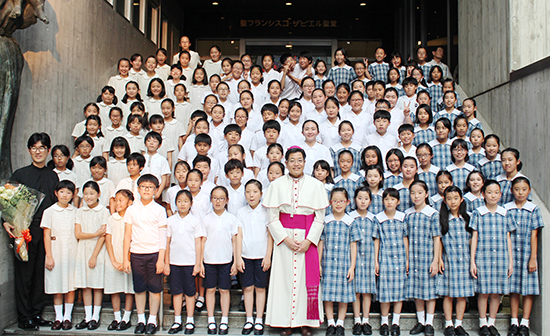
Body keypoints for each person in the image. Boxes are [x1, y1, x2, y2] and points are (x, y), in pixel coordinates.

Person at [262, 146, 329, 336]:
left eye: (299, 160)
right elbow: (272, 217)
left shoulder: (316, 185)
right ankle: (285, 322)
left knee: (304, 281)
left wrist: (309, 240)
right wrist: (285, 239)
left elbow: (320, 217)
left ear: (305, 162)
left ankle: (305, 322)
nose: (296, 164)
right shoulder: (276, 185)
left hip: (307, 238)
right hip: (284, 240)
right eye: (292, 160)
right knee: (283, 281)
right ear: (286, 163)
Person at [3, 132, 58, 330]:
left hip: (45, 231)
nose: (38, 151)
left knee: (40, 274)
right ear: (29, 150)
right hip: (23, 229)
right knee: (24, 274)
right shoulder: (20, 174)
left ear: (48, 151)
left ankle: (36, 314)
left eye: (42, 148)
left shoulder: (53, 176)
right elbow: (8, 202)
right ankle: (24, 316)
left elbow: (55, 205)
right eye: (34, 148)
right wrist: (5, 221)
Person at [123, 174, 168, 334]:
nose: (147, 190)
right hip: (136, 254)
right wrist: (125, 259)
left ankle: (152, 320)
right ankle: (141, 319)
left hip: (154, 254)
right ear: (138, 189)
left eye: (150, 187)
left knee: (155, 289)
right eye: (143, 187)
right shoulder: (131, 209)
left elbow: (163, 236)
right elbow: (127, 235)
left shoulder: (160, 210)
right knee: (139, 289)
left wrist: (161, 259)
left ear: (156, 190)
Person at [41, 180, 77, 331]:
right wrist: (49, 256)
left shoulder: (75, 211)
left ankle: (67, 317)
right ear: (56, 193)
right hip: (55, 251)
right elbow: (46, 235)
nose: (65, 195)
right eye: (62, 191)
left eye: (69, 192)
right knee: (56, 285)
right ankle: (58, 318)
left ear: (73, 195)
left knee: (70, 285)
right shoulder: (49, 211)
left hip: (72, 252)